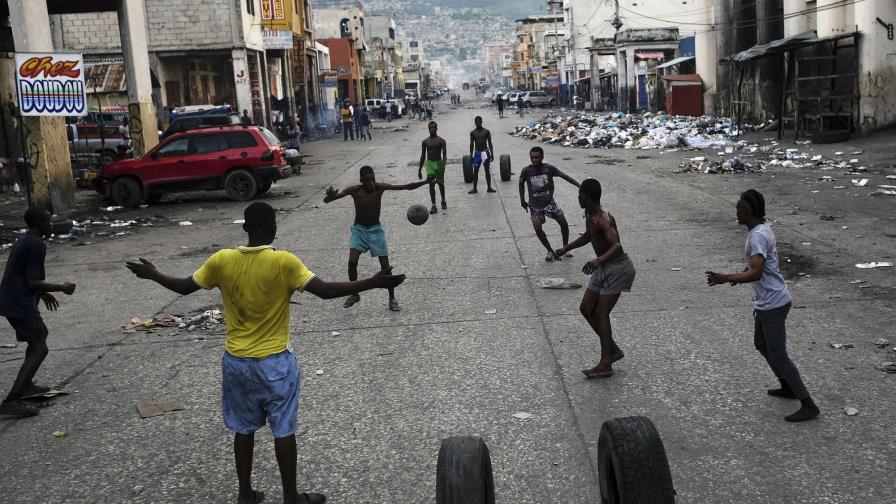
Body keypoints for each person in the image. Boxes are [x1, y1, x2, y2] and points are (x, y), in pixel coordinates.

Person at [127, 202, 405, 504]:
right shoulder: (283, 262)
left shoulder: (222, 260)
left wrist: (153, 273)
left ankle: (245, 493)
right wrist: (373, 283)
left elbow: (183, 287)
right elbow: (324, 291)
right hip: (275, 363)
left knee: (243, 429)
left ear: (245, 228)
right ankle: (290, 497)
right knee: (283, 429)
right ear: (274, 229)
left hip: (236, 362)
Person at [706, 190, 820, 423]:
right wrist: (740, 275)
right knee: (761, 343)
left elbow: (757, 272)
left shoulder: (757, 236)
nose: (736, 213)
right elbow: (756, 269)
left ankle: (808, 403)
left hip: (773, 303)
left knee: (778, 353)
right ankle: (787, 386)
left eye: (739, 209)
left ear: (748, 211)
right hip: (768, 301)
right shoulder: (761, 229)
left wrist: (727, 277)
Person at [555, 179, 635, 379]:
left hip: (617, 268)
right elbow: (589, 236)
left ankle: (606, 363)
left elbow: (616, 245)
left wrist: (598, 260)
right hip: (603, 266)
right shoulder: (589, 215)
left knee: (601, 312)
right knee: (586, 308)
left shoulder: (602, 218)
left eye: (580, 194)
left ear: (587, 197)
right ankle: (612, 350)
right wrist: (567, 248)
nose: (578, 197)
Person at [0, 207, 76, 417]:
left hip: (13, 298)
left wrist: (43, 293)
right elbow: (32, 281)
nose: (50, 225)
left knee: (39, 338)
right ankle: (11, 400)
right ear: (38, 224)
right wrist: (61, 287)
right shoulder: (36, 244)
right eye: (48, 222)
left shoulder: (26, 239)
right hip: (18, 302)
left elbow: (24, 275)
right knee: (40, 347)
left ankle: (26, 386)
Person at [324, 167, 432, 312]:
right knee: (352, 262)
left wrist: (425, 182)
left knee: (386, 267)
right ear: (362, 181)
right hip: (359, 230)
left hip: (376, 230)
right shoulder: (355, 190)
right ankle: (354, 294)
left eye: (373, 179)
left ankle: (392, 298)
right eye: (368, 180)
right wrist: (330, 196)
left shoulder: (380, 188)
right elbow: (328, 201)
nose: (371, 183)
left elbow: (406, 187)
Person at [519, 146, 580, 262]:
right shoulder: (526, 171)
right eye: (532, 158)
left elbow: (565, 177)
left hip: (549, 203)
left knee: (564, 223)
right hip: (535, 206)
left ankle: (565, 248)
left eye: (537, 157)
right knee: (537, 227)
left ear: (542, 157)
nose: (534, 160)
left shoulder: (549, 169)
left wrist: (579, 185)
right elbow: (521, 183)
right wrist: (522, 200)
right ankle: (550, 250)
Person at [418, 121, 448, 214]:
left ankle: (443, 200)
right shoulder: (425, 141)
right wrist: (419, 169)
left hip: (438, 163)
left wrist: (443, 165)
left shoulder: (441, 141)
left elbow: (444, 154)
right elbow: (423, 155)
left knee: (440, 184)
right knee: (431, 184)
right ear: (428, 129)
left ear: (436, 128)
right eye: (430, 128)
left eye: (434, 127)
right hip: (430, 164)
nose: (432, 129)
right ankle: (433, 205)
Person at [468, 116, 495, 194]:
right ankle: (474, 188)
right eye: (476, 121)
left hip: (485, 152)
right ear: (475, 122)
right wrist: (470, 155)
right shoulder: (473, 132)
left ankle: (489, 187)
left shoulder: (486, 131)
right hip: (477, 153)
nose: (477, 122)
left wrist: (492, 154)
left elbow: (490, 143)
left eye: (479, 121)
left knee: (487, 170)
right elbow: (471, 144)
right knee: (475, 171)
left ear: (481, 121)